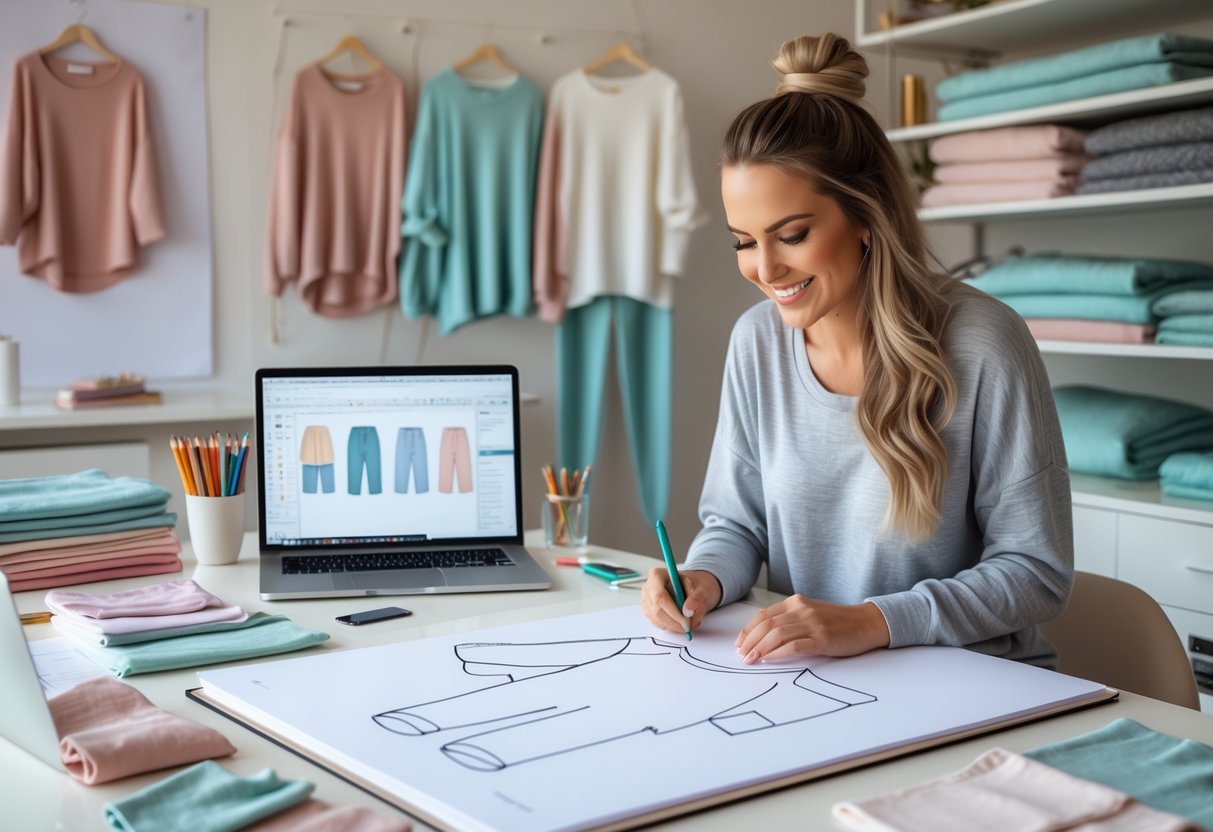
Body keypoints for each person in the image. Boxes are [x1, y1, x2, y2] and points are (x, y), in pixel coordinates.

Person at [641, 33, 1073, 668]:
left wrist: (873, 622)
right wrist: (702, 578)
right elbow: (737, 526)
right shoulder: (757, 342)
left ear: (865, 214)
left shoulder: (984, 343)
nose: (764, 268)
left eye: (791, 235)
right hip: (820, 687)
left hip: (971, 686)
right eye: (742, 241)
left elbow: (1036, 571)